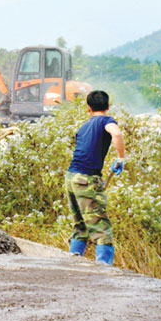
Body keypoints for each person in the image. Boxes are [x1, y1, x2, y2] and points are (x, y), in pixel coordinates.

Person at [65, 90, 126, 265]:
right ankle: (104, 269)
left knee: (81, 225)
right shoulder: (107, 120)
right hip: (86, 179)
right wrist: (121, 157)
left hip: (71, 177)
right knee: (101, 226)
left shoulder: (84, 126)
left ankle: (72, 264)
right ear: (108, 106)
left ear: (88, 108)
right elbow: (116, 133)